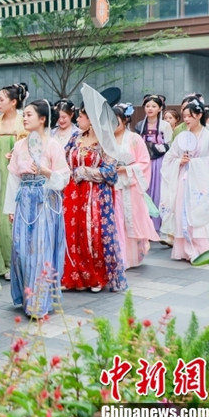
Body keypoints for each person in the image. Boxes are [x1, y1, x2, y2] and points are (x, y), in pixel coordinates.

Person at [5, 100, 70, 318]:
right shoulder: (20, 145)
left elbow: (64, 177)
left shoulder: (53, 145)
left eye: (29, 115)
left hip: (44, 200)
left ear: (42, 119)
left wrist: (46, 171)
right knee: (21, 251)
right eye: (24, 115)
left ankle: (38, 303)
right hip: (24, 200)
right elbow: (13, 178)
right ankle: (25, 295)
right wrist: (10, 209)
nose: (24, 118)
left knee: (41, 250)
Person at [62, 105, 127, 292]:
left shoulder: (106, 142)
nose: (78, 120)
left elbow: (110, 173)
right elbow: (64, 158)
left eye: (81, 116)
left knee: (93, 233)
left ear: (91, 120)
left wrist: (86, 171)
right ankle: (75, 276)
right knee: (72, 232)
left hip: (95, 195)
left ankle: (95, 277)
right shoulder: (75, 138)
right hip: (73, 193)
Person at [160, 99, 209, 262]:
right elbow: (169, 157)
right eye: (185, 116)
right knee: (183, 212)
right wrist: (179, 161)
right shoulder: (182, 136)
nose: (187, 119)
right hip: (184, 180)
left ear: (200, 115)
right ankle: (185, 249)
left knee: (199, 212)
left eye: (190, 116)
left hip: (201, 182)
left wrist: (196, 163)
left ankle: (200, 248)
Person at [0, 83, 29, 282]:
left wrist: (16, 154)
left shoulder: (24, 123)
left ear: (13, 102)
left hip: (14, 175)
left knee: (10, 216)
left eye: (2, 99)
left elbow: (31, 147)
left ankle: (14, 263)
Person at [112, 104, 159, 269]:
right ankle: (118, 256)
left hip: (129, 186)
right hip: (113, 186)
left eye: (115, 120)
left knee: (130, 220)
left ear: (125, 120)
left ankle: (131, 257)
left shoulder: (134, 139)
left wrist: (127, 168)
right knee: (116, 221)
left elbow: (145, 162)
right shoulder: (106, 140)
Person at [134, 94, 172, 234]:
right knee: (145, 191)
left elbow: (169, 145)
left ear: (160, 108)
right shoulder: (139, 125)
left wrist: (154, 148)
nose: (150, 109)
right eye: (148, 106)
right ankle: (144, 223)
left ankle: (156, 224)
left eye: (154, 106)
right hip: (144, 162)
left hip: (159, 162)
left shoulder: (165, 125)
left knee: (158, 191)